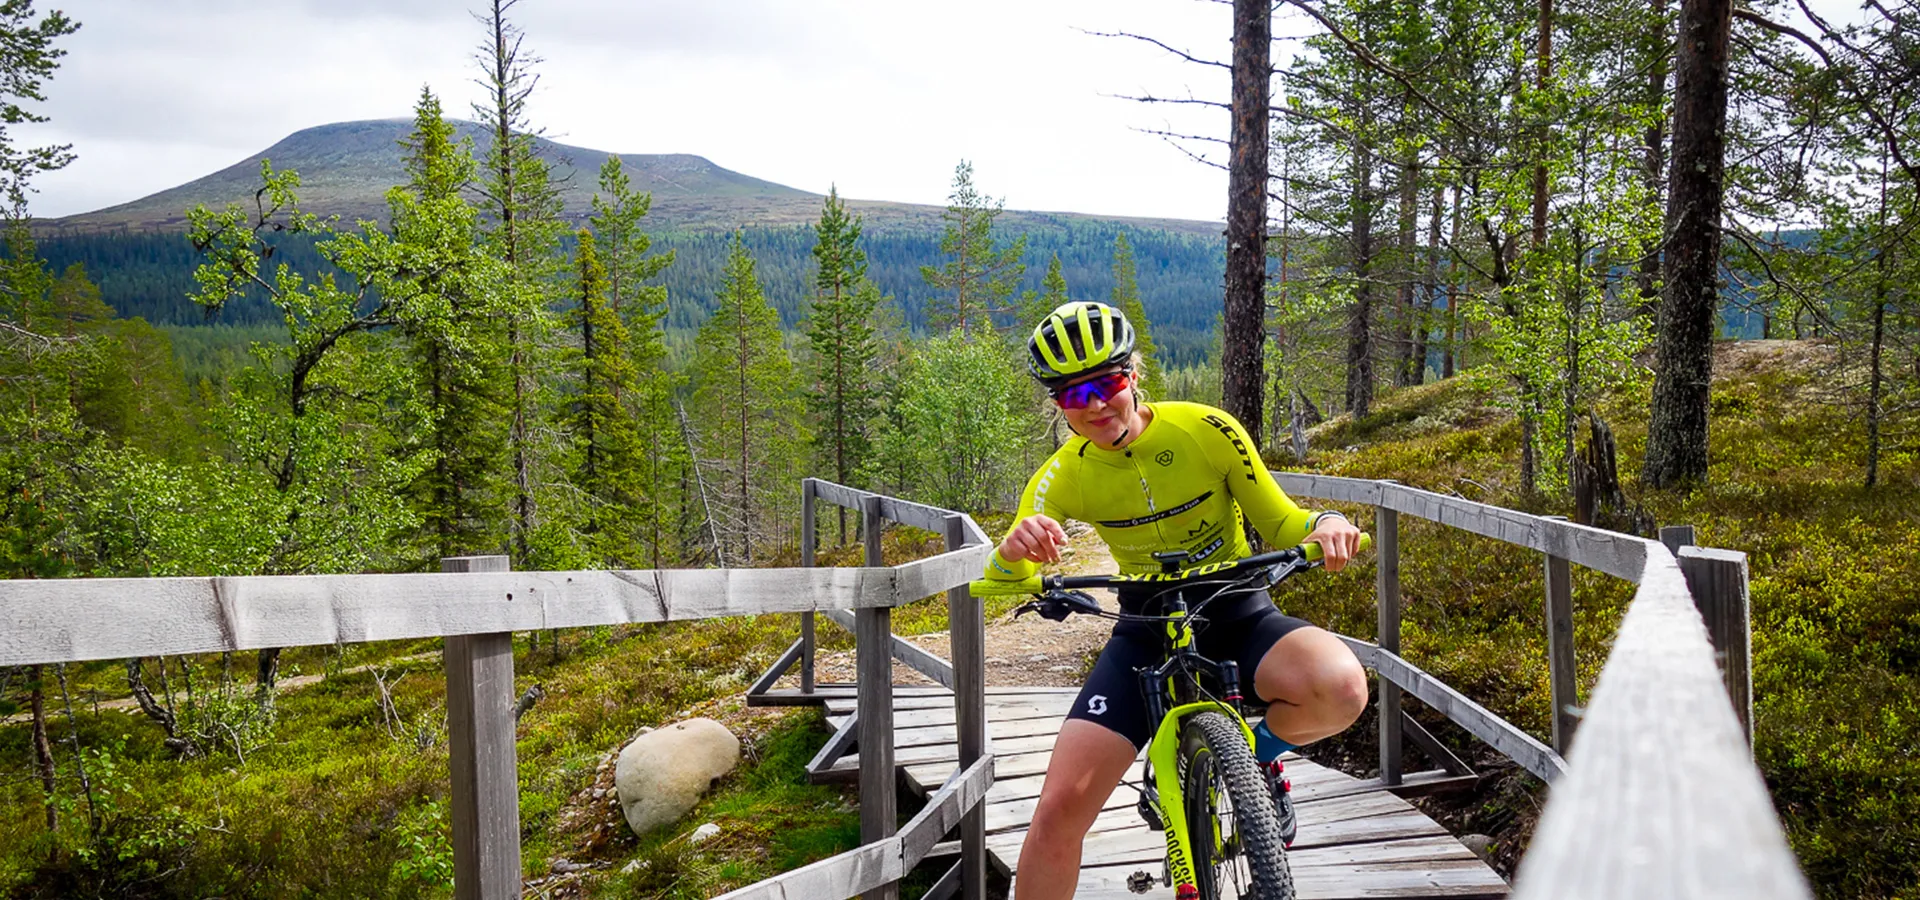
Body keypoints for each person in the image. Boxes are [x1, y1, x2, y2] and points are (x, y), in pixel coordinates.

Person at [984, 300, 1369, 899]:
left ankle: (1256, 756)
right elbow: (998, 577)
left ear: (1133, 374)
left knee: (1343, 688)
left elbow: (1284, 521)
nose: (1094, 406)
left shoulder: (1205, 430)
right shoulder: (1063, 476)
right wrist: (1015, 552)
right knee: (1058, 810)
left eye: (1106, 383)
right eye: (1071, 395)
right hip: (1144, 627)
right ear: (1056, 406)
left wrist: (1328, 520)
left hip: (1237, 607)